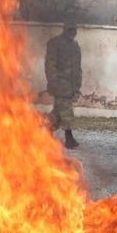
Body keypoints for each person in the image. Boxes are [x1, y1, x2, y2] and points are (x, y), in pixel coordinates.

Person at [45, 21, 83, 149]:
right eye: (70, 29)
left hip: (70, 86)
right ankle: (69, 138)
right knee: (67, 112)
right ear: (65, 29)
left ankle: (46, 131)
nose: (72, 32)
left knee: (57, 112)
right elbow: (50, 65)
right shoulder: (55, 44)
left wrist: (78, 85)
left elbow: (78, 68)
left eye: (74, 30)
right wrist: (54, 82)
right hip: (60, 85)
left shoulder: (75, 46)